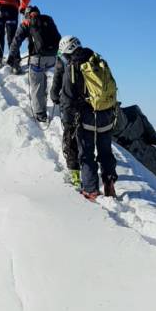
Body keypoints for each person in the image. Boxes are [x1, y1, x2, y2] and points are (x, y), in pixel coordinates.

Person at [50, 35, 118, 200]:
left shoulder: (73, 67)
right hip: (107, 114)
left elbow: (66, 98)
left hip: (87, 118)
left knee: (86, 154)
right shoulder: (96, 60)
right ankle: (109, 181)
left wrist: (68, 123)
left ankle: (90, 190)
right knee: (105, 151)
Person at [7, 6, 62, 122]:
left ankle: (40, 113)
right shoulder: (48, 20)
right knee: (43, 78)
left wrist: (12, 56)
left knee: (37, 84)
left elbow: (16, 40)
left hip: (38, 59)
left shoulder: (26, 23)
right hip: (52, 58)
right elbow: (58, 38)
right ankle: (46, 100)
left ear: (27, 14)